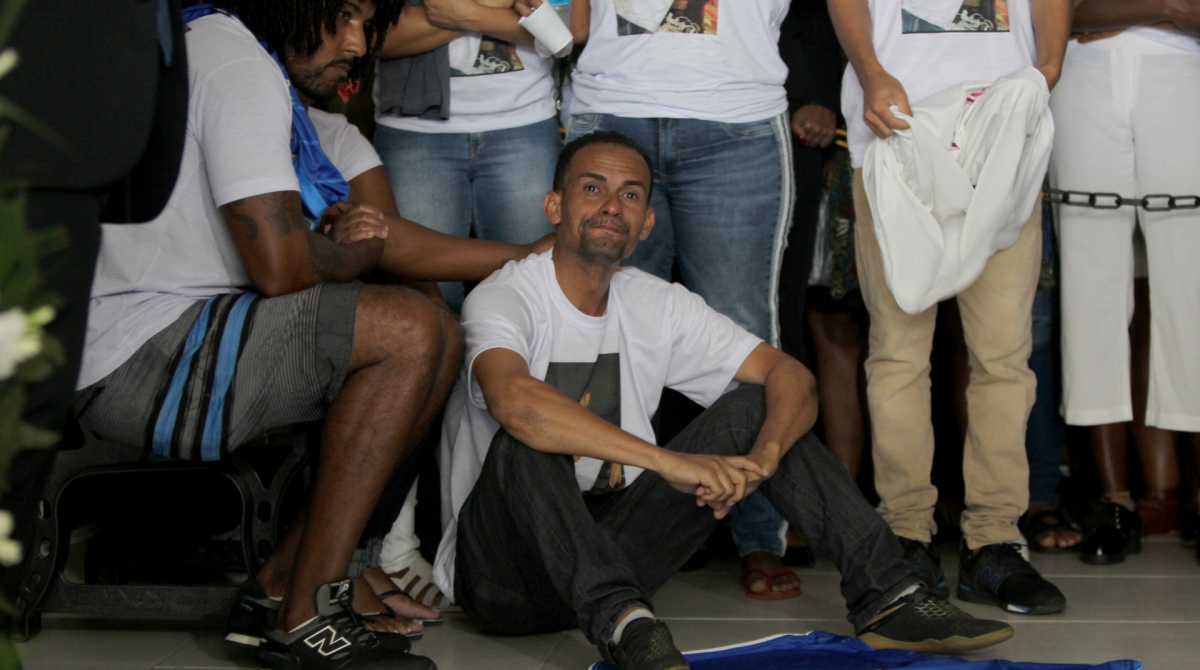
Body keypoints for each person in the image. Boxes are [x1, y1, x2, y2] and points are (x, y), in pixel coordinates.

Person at [72, 2, 549, 668]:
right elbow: (284, 267)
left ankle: (275, 594)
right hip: (143, 352)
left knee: (436, 329)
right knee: (410, 331)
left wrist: (527, 257)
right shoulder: (233, 59)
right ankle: (307, 615)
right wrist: (351, 252)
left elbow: (372, 238)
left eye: (368, 25)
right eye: (344, 16)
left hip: (184, 331)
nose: (357, 43)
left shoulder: (261, 78)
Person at [432, 132, 1016, 670]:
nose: (612, 205)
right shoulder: (505, 296)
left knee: (759, 405)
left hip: (611, 550)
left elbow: (791, 377)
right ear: (554, 207)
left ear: (646, 224)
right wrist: (669, 462)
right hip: (504, 577)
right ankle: (627, 625)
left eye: (630, 195)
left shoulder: (657, 302)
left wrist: (765, 458)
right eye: (593, 188)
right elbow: (515, 402)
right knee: (527, 441)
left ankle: (892, 597)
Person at [829, 0, 1072, 615]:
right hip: (893, 128)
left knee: (1004, 355)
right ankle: (906, 533)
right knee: (898, 351)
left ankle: (994, 541)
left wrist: (1046, 66)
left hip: (1004, 135)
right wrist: (870, 69)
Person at [565, 0, 804, 601]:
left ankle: (757, 535)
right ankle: (601, 534)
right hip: (611, 100)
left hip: (735, 112)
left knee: (746, 331)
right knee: (595, 322)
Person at [1048, 0, 1200, 564]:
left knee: (1192, 290)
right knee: (1093, 295)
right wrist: (1165, 8)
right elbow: (1059, 9)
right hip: (1081, 74)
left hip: (1185, 72)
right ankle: (1114, 503)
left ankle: (1197, 496)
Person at [372, 0, 567, 312]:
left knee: (535, 293)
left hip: (524, 123)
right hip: (414, 130)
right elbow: (372, 35)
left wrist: (456, 9)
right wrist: (497, 10)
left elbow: (564, 30)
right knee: (426, 301)